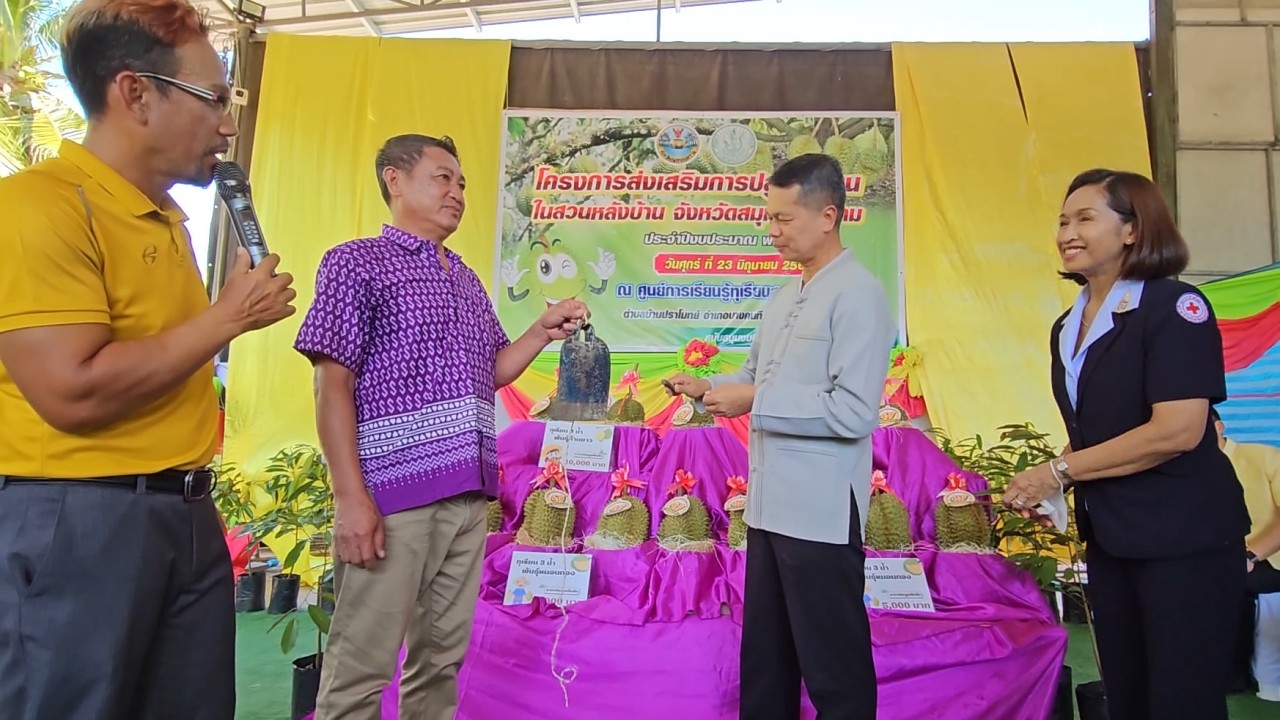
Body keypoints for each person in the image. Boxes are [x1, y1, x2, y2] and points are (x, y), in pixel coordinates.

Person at [0, 0, 296, 717]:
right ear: (134, 93)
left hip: (185, 514)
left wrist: (221, 323)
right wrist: (226, 318)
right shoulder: (39, 209)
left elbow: (163, 362)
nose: (227, 124)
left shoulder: (167, 220)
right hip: (80, 516)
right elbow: (70, 392)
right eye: (213, 99)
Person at [294, 133, 589, 720]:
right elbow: (332, 387)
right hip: (392, 499)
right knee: (361, 667)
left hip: (468, 499)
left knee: (440, 664)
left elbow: (493, 369)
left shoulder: (466, 279)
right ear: (393, 181)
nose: (456, 192)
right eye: (442, 177)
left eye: (461, 183)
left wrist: (541, 329)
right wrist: (350, 498)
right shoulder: (355, 263)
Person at [1004, 168, 1251, 720]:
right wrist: (1062, 490)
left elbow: (1179, 430)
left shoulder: (1174, 308)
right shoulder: (1067, 325)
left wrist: (1060, 471)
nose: (1068, 230)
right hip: (1113, 540)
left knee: (1181, 700)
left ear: (1134, 230)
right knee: (1129, 697)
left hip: (1183, 540)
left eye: (1086, 218)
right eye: (1063, 220)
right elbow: (1094, 431)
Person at [666, 153, 894, 720]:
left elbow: (854, 411)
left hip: (819, 510)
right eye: (768, 218)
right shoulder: (784, 296)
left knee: (833, 666)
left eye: (784, 219)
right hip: (769, 508)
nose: (772, 232)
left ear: (828, 216)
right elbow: (750, 378)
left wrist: (755, 401)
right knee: (766, 660)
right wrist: (705, 386)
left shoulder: (859, 295)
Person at [1213, 408, 1280, 701]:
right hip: (1214, 558)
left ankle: (1235, 675)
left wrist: (1251, 556)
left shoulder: (1264, 457)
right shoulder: (1184, 472)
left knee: (1232, 583)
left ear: (1220, 427)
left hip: (1268, 558)